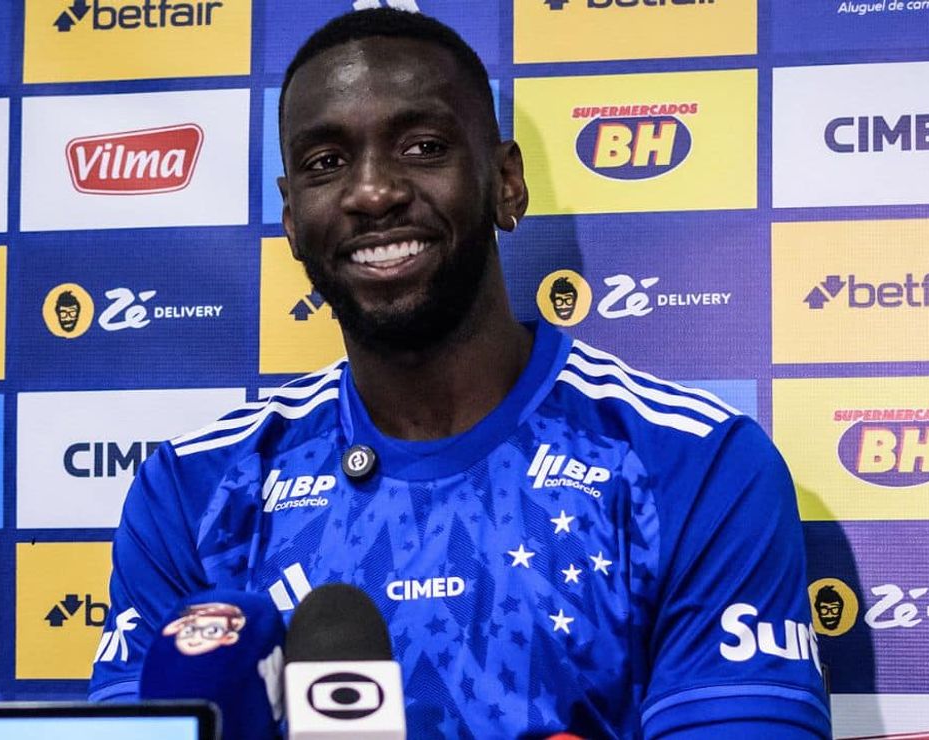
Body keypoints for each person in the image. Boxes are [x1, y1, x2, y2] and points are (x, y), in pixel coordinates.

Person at [89, 8, 831, 738]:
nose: (372, 192)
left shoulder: (692, 465)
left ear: (506, 183)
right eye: (326, 163)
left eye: (423, 147)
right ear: (291, 216)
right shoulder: (193, 489)